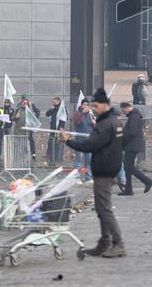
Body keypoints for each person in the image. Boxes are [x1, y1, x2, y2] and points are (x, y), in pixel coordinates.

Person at [60, 87, 126, 258]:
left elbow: (90, 145)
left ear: (105, 105)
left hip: (104, 171)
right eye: (92, 106)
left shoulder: (105, 124)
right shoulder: (114, 121)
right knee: (101, 208)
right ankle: (105, 242)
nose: (93, 109)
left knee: (104, 209)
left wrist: (69, 141)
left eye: (96, 106)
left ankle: (118, 243)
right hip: (108, 169)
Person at [118, 101, 152, 196]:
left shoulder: (134, 116)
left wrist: (122, 136)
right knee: (128, 167)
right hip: (132, 145)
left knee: (128, 167)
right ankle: (128, 189)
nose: (123, 113)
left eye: (123, 110)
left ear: (126, 108)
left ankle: (147, 181)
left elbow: (132, 132)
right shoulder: (134, 115)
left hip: (132, 145)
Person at [73, 100, 95, 179]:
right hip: (79, 140)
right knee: (78, 160)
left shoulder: (91, 115)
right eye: (84, 104)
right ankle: (77, 178)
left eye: (87, 104)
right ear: (81, 105)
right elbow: (77, 122)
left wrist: (94, 123)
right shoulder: (77, 113)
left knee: (89, 161)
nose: (85, 106)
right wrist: (82, 113)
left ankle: (88, 177)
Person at [45, 97, 66, 167]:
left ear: (58, 101)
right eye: (53, 102)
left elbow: (64, 118)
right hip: (53, 129)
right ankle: (51, 158)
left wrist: (61, 128)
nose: (53, 103)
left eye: (54, 102)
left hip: (59, 129)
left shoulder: (62, 108)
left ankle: (58, 159)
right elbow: (47, 114)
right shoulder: (53, 108)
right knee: (51, 143)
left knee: (58, 144)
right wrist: (51, 109)